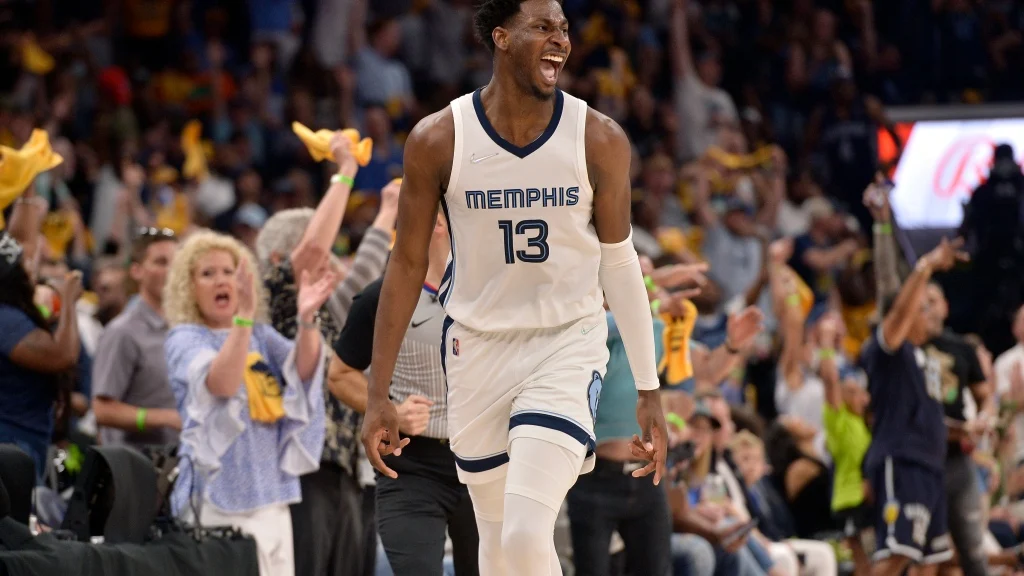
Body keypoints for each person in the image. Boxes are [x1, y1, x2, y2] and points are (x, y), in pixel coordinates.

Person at [362, 1, 668, 574]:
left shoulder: (598, 137)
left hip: (566, 346)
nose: (561, 40)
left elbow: (621, 264)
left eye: (564, 29)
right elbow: (404, 265)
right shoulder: (438, 138)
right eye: (543, 27)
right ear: (500, 37)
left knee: (529, 535)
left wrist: (649, 387)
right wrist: (378, 391)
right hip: (476, 350)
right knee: (499, 553)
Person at [163, 231, 336, 576]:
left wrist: (306, 321)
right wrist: (241, 318)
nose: (220, 280)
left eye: (228, 271)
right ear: (189, 287)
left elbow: (305, 372)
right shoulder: (184, 339)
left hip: (271, 493)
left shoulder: (260, 334)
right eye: (207, 274)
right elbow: (222, 384)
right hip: (216, 499)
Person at [333, 214, 479, 576]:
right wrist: (391, 411)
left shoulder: (491, 292)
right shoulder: (380, 297)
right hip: (411, 466)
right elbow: (339, 374)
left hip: (485, 459)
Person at [860, 237, 969, 575]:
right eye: (923, 307)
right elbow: (895, 313)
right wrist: (925, 267)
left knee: (930, 561)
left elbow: (931, 417)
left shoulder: (928, 361)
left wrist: (964, 430)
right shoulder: (889, 348)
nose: (929, 313)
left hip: (930, 465)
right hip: (902, 460)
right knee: (896, 554)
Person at [0, 230, 82, 481]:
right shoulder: (5, 318)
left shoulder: (13, 314)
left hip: (25, 439)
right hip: (11, 443)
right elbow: (64, 355)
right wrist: (68, 300)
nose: (33, 269)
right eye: (26, 263)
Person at [92, 229, 181, 448]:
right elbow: (103, 410)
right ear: (137, 270)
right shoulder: (123, 331)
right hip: (135, 469)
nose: (171, 271)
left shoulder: (186, 329)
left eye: (177, 263)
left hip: (178, 464)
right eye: (161, 262)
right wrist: (165, 418)